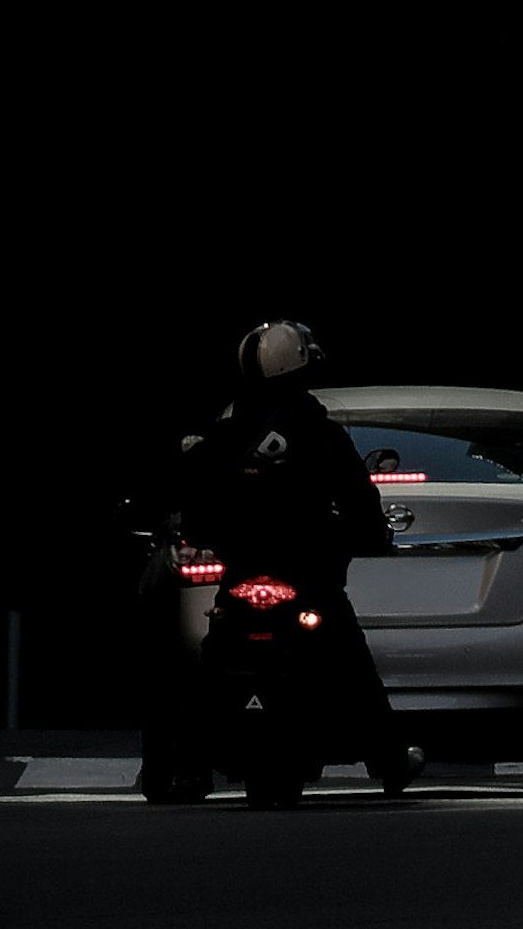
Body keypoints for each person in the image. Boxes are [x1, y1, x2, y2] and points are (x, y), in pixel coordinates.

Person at [170, 321, 411, 794]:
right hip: (309, 578)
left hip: (240, 575)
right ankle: (389, 760)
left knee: (207, 662)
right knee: (352, 664)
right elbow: (360, 504)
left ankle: (186, 766)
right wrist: (371, 536)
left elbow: (194, 509)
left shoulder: (224, 434)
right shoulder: (320, 434)